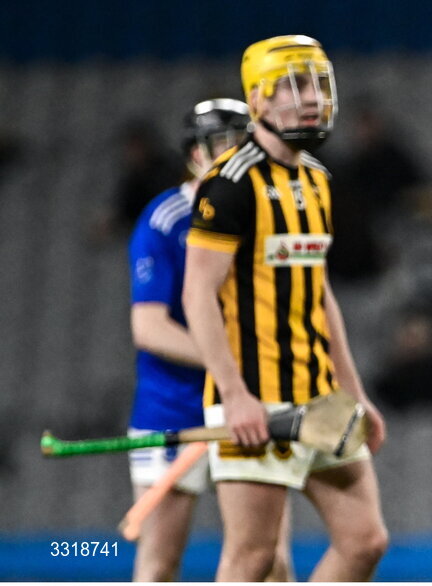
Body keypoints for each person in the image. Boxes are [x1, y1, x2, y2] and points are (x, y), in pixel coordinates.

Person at [182, 35, 389, 582]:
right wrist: (234, 396)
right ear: (258, 102)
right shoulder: (228, 185)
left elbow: (319, 294)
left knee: (365, 541)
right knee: (254, 559)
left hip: (320, 398)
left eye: (319, 84)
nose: (313, 98)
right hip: (256, 401)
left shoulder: (317, 180)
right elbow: (196, 294)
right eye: (295, 86)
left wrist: (354, 393)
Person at [127, 98, 294, 581]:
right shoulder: (165, 220)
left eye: (248, 143)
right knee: (160, 564)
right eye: (226, 143)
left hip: (249, 404)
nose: (239, 155)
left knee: (270, 560)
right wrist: (232, 366)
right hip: (175, 406)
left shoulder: (269, 218)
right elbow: (150, 328)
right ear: (194, 154)